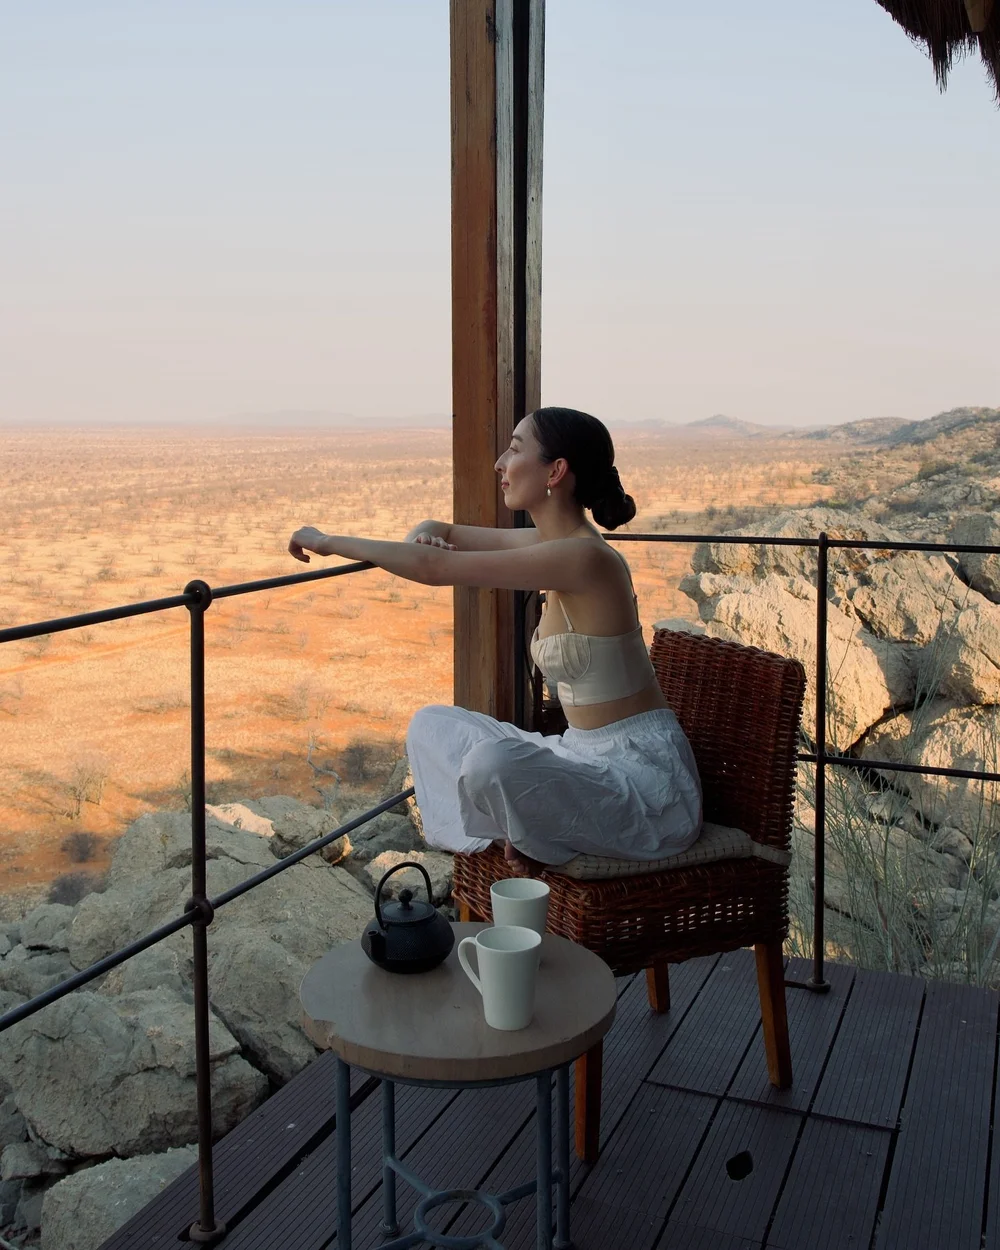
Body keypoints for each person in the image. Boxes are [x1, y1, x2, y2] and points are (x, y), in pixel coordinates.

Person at [288, 406, 702, 874]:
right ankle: (524, 830)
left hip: (642, 783)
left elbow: (435, 570)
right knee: (431, 727)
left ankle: (530, 834)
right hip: (581, 753)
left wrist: (326, 541)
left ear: (555, 471)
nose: (499, 463)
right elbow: (440, 534)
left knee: (491, 762)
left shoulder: (586, 559)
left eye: (515, 449)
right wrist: (422, 537)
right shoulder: (549, 544)